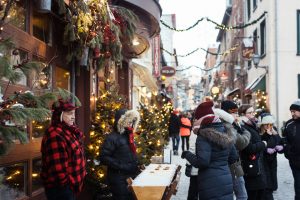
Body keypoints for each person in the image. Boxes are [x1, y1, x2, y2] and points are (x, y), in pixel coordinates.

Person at [181, 101, 235, 200]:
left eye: (196, 118)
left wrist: (187, 154)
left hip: (210, 182)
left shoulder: (203, 134)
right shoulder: (226, 131)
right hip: (226, 180)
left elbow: (203, 162)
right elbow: (233, 157)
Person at [41, 99, 86, 200]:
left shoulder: (69, 130)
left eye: (73, 113)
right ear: (60, 114)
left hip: (72, 187)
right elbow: (58, 170)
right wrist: (68, 187)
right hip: (62, 190)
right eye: (70, 114)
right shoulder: (55, 134)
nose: (73, 117)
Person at [99, 109, 141, 200]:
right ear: (121, 121)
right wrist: (121, 165)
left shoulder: (129, 136)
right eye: (128, 121)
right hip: (118, 179)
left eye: (132, 121)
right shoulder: (112, 138)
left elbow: (129, 154)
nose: (130, 124)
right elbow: (103, 157)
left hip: (130, 176)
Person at [238, 104, 275, 200]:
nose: (253, 115)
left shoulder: (252, 125)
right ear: (243, 115)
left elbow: (257, 141)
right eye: (250, 113)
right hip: (251, 167)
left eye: (253, 112)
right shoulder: (243, 128)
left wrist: (266, 136)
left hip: (258, 166)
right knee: (254, 194)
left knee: (261, 193)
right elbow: (249, 148)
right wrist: (264, 144)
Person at [218, 100, 251, 200]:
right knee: (242, 195)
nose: (237, 115)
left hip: (232, 163)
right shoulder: (227, 125)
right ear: (227, 113)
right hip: (232, 164)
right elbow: (241, 142)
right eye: (234, 112)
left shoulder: (230, 123)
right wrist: (246, 132)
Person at [258, 113, 283, 200]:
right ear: (262, 124)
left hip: (273, 159)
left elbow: (279, 142)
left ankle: (271, 189)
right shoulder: (259, 132)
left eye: (271, 124)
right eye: (267, 124)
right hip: (263, 160)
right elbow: (259, 145)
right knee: (267, 182)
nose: (269, 126)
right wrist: (266, 150)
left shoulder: (274, 130)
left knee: (273, 178)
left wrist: (280, 147)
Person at [283, 99, 300, 200]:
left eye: (294, 111)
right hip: (296, 163)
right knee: (298, 189)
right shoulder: (289, 124)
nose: (292, 113)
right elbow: (285, 141)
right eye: (291, 111)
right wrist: (288, 153)